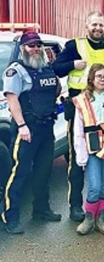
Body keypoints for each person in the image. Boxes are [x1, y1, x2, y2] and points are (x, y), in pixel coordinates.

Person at [53, 11, 104, 222]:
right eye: (94, 25)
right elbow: (56, 68)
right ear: (86, 26)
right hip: (79, 110)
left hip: (102, 112)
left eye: (101, 25)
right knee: (77, 160)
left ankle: (100, 203)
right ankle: (76, 206)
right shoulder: (74, 46)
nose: (98, 28)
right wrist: (72, 65)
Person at [1, 31, 62, 234]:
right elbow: (12, 99)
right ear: (23, 48)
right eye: (31, 45)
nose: (35, 48)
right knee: (19, 173)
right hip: (27, 129)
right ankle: (10, 217)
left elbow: (55, 90)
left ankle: (41, 210)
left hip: (46, 127)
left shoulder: (46, 68)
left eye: (38, 45)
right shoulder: (15, 71)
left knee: (43, 170)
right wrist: (22, 126)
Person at [73, 63, 104, 235]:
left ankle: (100, 218)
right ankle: (89, 217)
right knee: (95, 184)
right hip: (91, 147)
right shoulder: (81, 100)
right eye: (99, 76)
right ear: (91, 79)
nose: (102, 79)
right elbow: (78, 129)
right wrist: (81, 155)